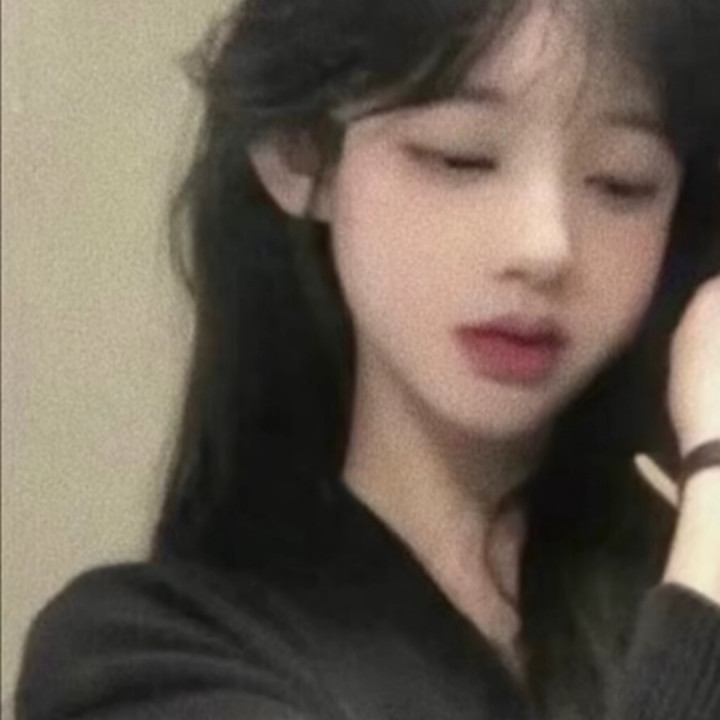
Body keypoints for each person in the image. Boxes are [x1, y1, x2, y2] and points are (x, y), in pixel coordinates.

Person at [12, 0, 720, 718]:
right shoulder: (145, 658)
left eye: (623, 182)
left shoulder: (674, 563)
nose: (545, 247)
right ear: (302, 151)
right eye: (461, 156)